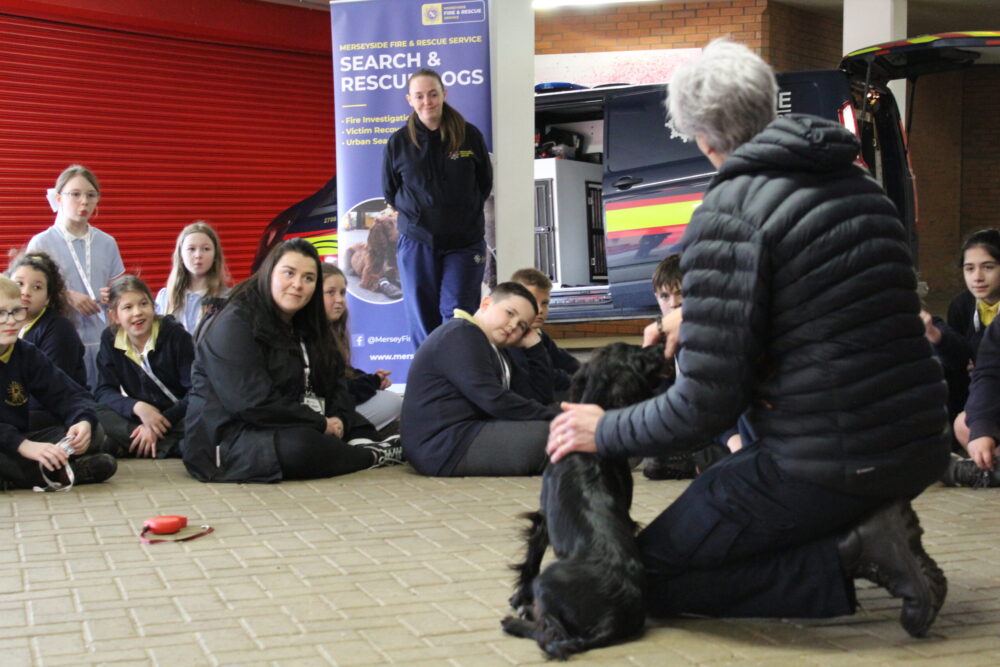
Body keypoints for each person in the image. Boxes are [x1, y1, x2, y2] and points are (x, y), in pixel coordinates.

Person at [545, 39, 949, 638]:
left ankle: (852, 547)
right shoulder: (861, 187)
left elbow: (703, 406)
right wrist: (704, 324)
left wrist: (602, 427)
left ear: (702, 138)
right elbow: (824, 319)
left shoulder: (729, 212)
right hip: (914, 444)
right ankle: (864, 519)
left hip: (825, 462)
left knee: (635, 578)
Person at [182, 238, 404, 483]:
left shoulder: (305, 321)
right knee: (302, 447)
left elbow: (334, 380)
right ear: (269, 273)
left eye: (308, 278)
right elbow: (251, 402)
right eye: (289, 273)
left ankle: (372, 443)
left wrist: (339, 418)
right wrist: (320, 423)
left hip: (286, 421)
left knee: (360, 419)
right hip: (225, 440)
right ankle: (369, 456)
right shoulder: (234, 322)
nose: (298, 285)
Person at [382, 68, 493, 348]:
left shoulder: (469, 135)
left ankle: (460, 379)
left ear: (444, 94)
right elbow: (390, 191)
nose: (427, 101)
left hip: (464, 242)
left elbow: (484, 184)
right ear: (409, 99)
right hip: (418, 241)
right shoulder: (398, 143)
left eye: (433, 94)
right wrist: (420, 215)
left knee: (459, 315)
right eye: (419, 96)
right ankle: (430, 382)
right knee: (423, 318)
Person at [401, 282, 558, 477]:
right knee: (555, 436)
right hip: (443, 447)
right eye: (510, 313)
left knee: (559, 428)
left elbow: (538, 397)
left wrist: (535, 349)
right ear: (486, 304)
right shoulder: (460, 334)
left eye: (522, 326)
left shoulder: (499, 350)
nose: (513, 325)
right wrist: (555, 417)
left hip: (470, 432)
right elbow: (492, 399)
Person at [0, 276, 117, 490]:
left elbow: (69, 394)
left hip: (14, 440)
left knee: (95, 432)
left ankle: (41, 471)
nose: (11, 321)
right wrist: (23, 445)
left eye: (17, 311)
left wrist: (82, 421)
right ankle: (54, 472)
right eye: (1, 313)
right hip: (10, 443)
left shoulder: (25, 353)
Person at [27, 165, 125, 390]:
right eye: (75, 194)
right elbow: (28, 299)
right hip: (58, 341)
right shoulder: (41, 243)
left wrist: (113, 295)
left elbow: (119, 291)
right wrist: (66, 295)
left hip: (101, 340)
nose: (84, 202)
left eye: (91, 195)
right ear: (59, 198)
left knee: (104, 403)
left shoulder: (107, 242)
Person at [640, 253, 734, 480]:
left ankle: (714, 460)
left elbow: (722, 401)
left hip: (724, 426)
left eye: (681, 292)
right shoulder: (660, 339)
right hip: (690, 426)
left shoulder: (717, 336)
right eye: (664, 296)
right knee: (654, 460)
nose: (674, 304)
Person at [94, 275, 193, 459]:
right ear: (115, 316)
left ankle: (138, 444)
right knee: (94, 410)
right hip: (143, 415)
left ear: (153, 307)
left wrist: (161, 423)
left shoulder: (175, 335)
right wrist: (136, 407)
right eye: (128, 307)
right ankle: (168, 447)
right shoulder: (109, 339)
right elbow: (104, 390)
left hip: (179, 415)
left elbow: (195, 391)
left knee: (203, 416)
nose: (137, 312)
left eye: (143, 304)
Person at [8, 251, 88, 428]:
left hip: (49, 411)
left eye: (36, 287)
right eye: (19, 283)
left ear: (48, 299)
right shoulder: (6, 324)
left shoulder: (58, 328)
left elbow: (51, 391)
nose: (25, 292)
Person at [321, 263, 402, 433]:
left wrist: (372, 379)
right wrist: (372, 382)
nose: (339, 300)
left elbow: (344, 375)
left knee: (393, 402)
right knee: (393, 403)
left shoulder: (331, 333)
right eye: (331, 292)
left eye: (342, 293)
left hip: (334, 410)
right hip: (324, 415)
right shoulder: (312, 338)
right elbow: (339, 390)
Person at [947, 230, 1000, 443]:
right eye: (969, 269)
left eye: (988, 267)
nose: (977, 277)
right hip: (978, 387)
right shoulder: (961, 306)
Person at [509, 267, 580, 403]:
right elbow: (542, 376)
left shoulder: (539, 334)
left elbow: (567, 362)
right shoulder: (510, 337)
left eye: (545, 303)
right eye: (533, 302)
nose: (540, 310)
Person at [155, 221, 231, 334]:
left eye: (206, 249)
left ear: (215, 255)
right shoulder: (165, 297)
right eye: (191, 249)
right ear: (181, 255)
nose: (198, 255)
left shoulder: (227, 298)